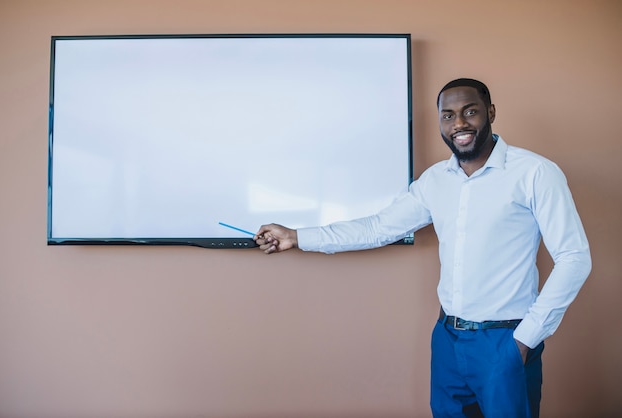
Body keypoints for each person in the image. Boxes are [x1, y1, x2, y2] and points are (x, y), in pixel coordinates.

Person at [253, 78, 591, 418]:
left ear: (490, 113)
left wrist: (526, 338)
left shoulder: (535, 173)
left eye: (469, 112)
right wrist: (297, 236)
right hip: (447, 339)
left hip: (504, 339)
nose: (458, 123)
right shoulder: (435, 181)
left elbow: (573, 258)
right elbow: (378, 227)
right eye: (448, 115)